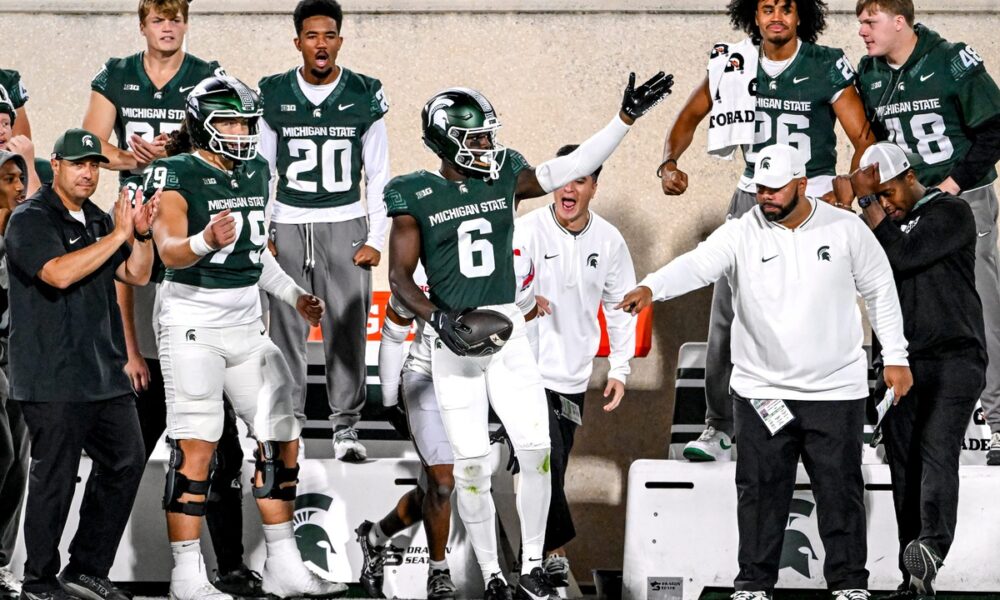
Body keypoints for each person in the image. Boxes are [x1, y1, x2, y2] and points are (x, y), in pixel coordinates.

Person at [386, 74, 671, 600]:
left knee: (537, 450)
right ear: (446, 139)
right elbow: (399, 278)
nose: (487, 147)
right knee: (471, 464)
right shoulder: (413, 193)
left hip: (507, 332)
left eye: (489, 137)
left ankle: (536, 563)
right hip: (454, 340)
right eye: (476, 139)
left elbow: (568, 165)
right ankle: (494, 573)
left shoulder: (505, 175)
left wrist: (623, 121)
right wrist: (438, 319)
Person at [620, 143, 912, 600]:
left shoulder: (846, 228)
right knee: (758, 492)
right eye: (760, 188)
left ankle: (850, 583)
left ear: (801, 184)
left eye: (776, 189)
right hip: (761, 390)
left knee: (840, 491)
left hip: (835, 390)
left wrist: (896, 356)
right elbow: (698, 265)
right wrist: (652, 286)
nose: (766, 197)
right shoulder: (741, 231)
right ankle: (754, 585)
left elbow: (880, 289)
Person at [82, 1, 260, 593]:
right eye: (158, 17)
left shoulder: (208, 77)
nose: (167, 26)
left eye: (176, 17)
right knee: (135, 445)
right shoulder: (117, 74)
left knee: (223, 445)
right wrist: (131, 158)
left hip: (196, 244)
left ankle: (230, 563)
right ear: (143, 24)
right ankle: (90, 567)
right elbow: (92, 144)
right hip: (144, 222)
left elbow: (221, 140)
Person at [148, 75, 343, 600]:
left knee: (281, 434)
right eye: (230, 120)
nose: (240, 131)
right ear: (202, 123)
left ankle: (284, 563)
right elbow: (168, 250)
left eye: (245, 121)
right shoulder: (176, 170)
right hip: (192, 323)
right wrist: (204, 239)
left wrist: (293, 295)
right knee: (197, 445)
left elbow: (255, 257)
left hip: (246, 323)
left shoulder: (256, 169)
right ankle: (185, 577)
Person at [659, 0, 874, 462]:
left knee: (829, 312)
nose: (777, 16)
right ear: (753, 16)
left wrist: (849, 187)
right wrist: (668, 161)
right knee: (728, 315)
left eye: (786, 8)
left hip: (813, 197)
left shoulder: (824, 64)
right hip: (752, 197)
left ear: (802, 16)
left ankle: (845, 419)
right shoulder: (734, 63)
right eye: (767, 8)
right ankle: (719, 427)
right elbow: (690, 115)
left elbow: (863, 138)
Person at [5, 128, 157, 600]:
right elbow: (57, 273)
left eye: (94, 165)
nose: (88, 172)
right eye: (78, 164)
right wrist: (118, 234)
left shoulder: (95, 219)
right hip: (51, 376)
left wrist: (142, 234)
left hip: (102, 374)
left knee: (126, 460)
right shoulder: (30, 219)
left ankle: (86, 567)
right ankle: (39, 579)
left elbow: (138, 271)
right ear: (55, 165)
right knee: (54, 479)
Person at [833, 142, 986, 598]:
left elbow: (903, 256)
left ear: (908, 179)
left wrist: (863, 202)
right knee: (904, 469)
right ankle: (915, 577)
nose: (884, 204)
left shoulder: (952, 213)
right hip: (901, 362)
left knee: (938, 450)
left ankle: (932, 547)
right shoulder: (880, 227)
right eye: (876, 198)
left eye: (887, 194)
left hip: (955, 358)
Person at [854, 0, 1000, 466]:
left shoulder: (950, 61)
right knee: (892, 299)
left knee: (979, 305)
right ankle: (893, 416)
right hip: (903, 205)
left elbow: (995, 130)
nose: (861, 31)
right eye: (860, 21)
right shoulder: (870, 72)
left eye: (870, 21)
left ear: (900, 21)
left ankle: (996, 423)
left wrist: (951, 185)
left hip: (958, 201)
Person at [356, 253, 538, 600]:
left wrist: (524, 405)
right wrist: (391, 397)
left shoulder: (514, 261)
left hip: (479, 379)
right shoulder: (424, 266)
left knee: (431, 490)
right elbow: (394, 334)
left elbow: (526, 333)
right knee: (443, 484)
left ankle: (375, 537)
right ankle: (438, 572)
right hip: (427, 377)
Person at [258, 0, 390, 462]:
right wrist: (265, 227)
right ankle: (287, 423)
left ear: (339, 40)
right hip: (289, 222)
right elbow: (264, 170)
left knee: (346, 329)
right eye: (311, 36)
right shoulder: (273, 94)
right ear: (298, 42)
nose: (320, 44)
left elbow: (379, 174)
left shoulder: (364, 92)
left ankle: (346, 429)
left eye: (328, 35)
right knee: (285, 332)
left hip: (345, 221)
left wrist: (376, 237)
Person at [513, 145, 636, 585]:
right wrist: (525, 301)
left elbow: (622, 307)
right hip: (522, 371)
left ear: (593, 188)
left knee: (553, 465)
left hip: (572, 376)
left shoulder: (609, 240)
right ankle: (551, 552)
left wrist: (619, 369)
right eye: (563, 178)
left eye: (580, 179)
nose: (569, 187)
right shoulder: (525, 231)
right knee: (541, 458)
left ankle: (537, 554)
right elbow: (499, 291)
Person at [0, 151, 26, 599]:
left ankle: (0, 563)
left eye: (21, 177)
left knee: (20, 463)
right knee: (0, 453)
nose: (20, 186)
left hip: (18, 356)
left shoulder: (23, 231)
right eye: (8, 178)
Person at [0, 93, 45, 196]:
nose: (1, 131)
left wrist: (27, 166)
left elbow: (36, 211)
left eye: (5, 124)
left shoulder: (42, 169)